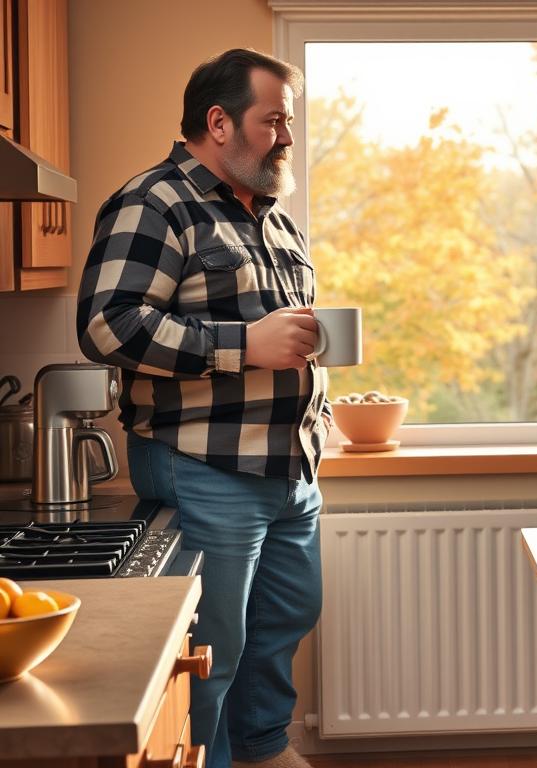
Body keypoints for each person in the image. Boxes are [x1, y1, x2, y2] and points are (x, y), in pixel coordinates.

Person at [77, 49, 331, 768]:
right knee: (211, 649)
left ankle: (261, 749)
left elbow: (280, 340)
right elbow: (107, 327)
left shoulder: (276, 219)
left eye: (289, 120)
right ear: (218, 123)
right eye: (273, 120)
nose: (287, 136)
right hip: (205, 467)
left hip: (290, 471)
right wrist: (242, 345)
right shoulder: (153, 203)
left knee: (283, 621)